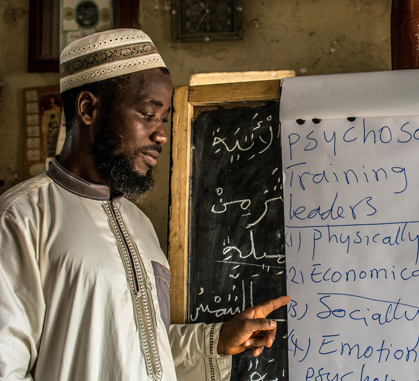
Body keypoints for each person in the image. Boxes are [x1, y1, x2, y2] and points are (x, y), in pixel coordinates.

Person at [0, 28, 290, 381]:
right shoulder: (22, 217)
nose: (161, 135)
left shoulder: (139, 224)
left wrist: (216, 340)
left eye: (163, 119)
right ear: (88, 109)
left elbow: (138, 347)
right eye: (148, 114)